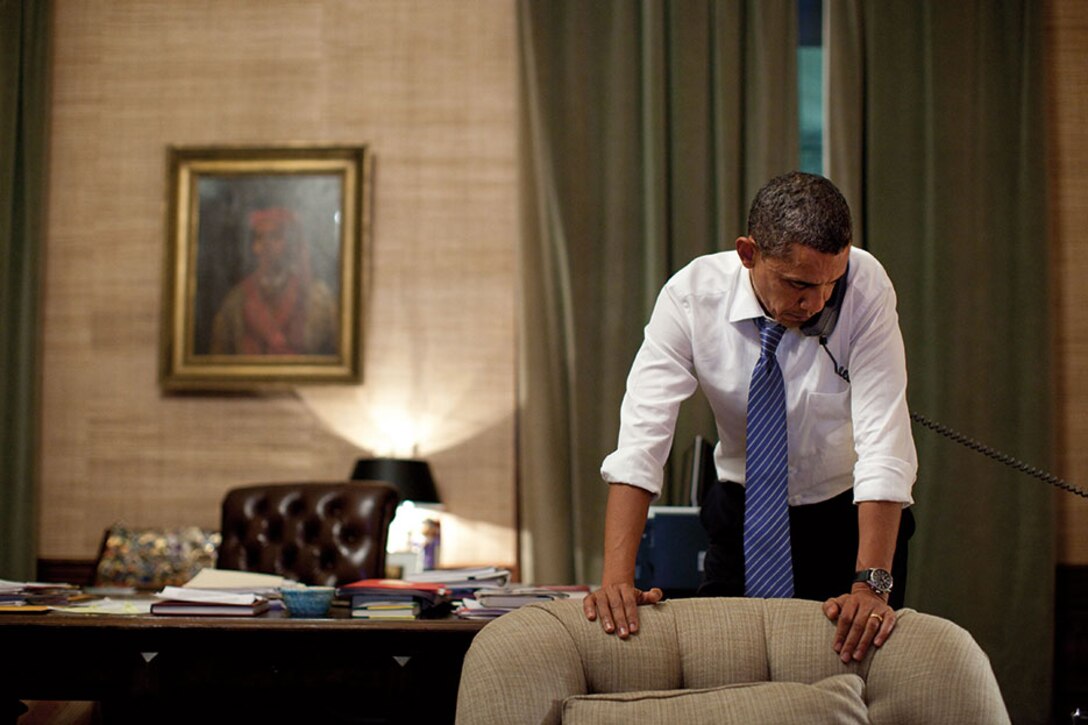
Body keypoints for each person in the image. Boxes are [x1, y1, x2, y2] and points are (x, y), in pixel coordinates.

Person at [583, 171, 917, 665]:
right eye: (800, 284)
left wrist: (871, 583)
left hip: (847, 518)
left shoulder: (865, 285)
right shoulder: (691, 297)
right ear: (748, 253)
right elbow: (641, 441)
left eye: (831, 283)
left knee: (847, 682)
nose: (818, 302)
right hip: (743, 514)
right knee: (724, 672)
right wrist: (617, 581)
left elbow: (885, 443)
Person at [211, 206, 338, 356]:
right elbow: (219, 356)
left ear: (291, 244)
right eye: (259, 237)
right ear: (253, 246)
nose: (266, 245)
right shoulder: (236, 301)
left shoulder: (318, 298)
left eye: (275, 236)